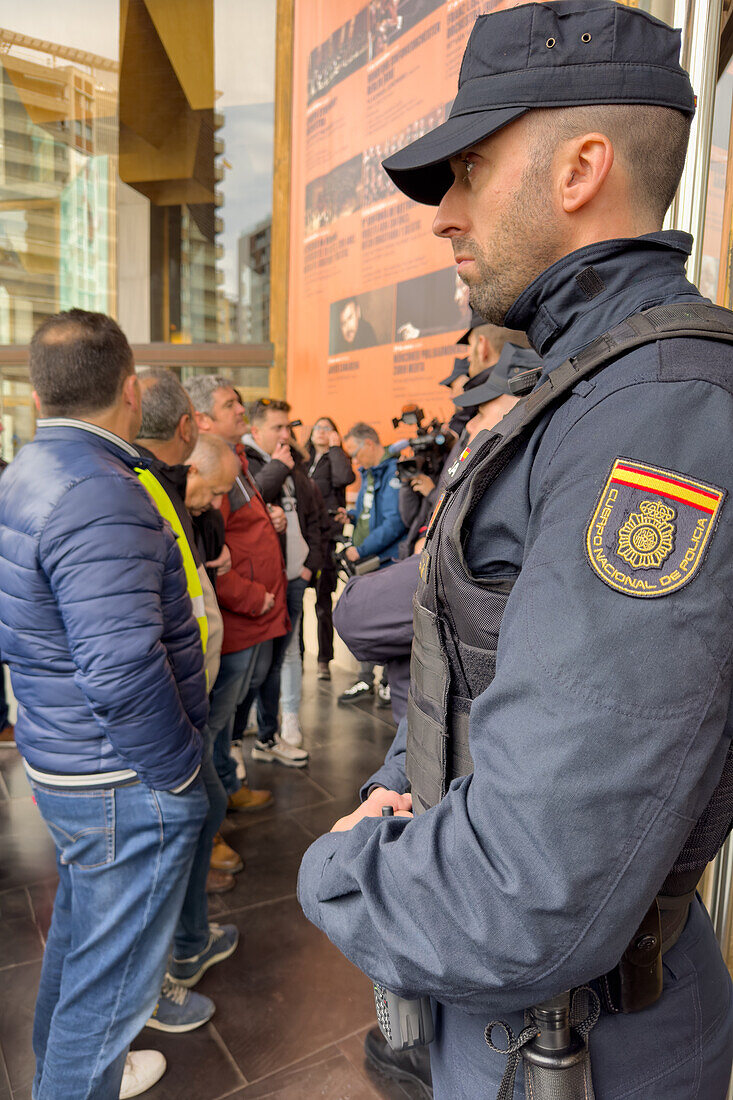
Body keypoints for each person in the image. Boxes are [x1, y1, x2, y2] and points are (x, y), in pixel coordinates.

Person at [297, 4, 733, 1098]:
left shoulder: (657, 414)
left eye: (468, 173)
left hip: (581, 1045)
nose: (444, 215)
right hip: (514, 1026)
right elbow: (465, 661)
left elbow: (529, 893)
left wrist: (338, 865)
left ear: (582, 167)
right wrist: (399, 795)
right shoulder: (580, 387)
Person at [0, 309, 212, 1099]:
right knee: (110, 988)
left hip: (69, 758)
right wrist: (180, 775)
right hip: (120, 777)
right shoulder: (100, 490)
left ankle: (54, 1072)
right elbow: (123, 668)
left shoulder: (31, 469)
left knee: (84, 946)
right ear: (130, 389)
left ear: (36, 393)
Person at [184, 375, 292, 791]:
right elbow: (214, 557)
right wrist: (253, 598)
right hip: (242, 614)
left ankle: (227, 788)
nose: (241, 410)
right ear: (202, 420)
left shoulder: (236, 461)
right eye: (230, 404)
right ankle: (217, 803)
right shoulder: (211, 470)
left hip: (255, 612)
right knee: (218, 717)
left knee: (233, 709)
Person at [240, 398, 322, 756]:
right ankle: (258, 731)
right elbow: (249, 503)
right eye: (277, 427)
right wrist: (277, 467)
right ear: (255, 431)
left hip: (294, 576)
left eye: (288, 427)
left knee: (286, 654)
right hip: (261, 583)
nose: (285, 434)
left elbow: (317, 519)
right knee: (261, 662)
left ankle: (281, 723)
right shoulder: (246, 462)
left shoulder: (295, 463)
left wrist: (308, 566)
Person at [336, 422, 407, 706]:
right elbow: (370, 512)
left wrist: (361, 549)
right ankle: (366, 679)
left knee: (387, 623)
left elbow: (395, 522)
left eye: (354, 453)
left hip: (384, 560)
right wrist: (351, 516)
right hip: (367, 560)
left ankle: (388, 684)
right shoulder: (369, 473)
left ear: (368, 444)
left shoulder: (393, 472)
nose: (353, 461)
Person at [306, 416, 356, 679]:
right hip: (305, 537)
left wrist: (336, 449)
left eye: (328, 428)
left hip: (326, 537)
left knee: (323, 602)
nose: (321, 432)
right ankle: (301, 654)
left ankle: (324, 659)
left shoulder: (335, 458)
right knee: (297, 596)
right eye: (318, 427)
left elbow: (344, 477)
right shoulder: (304, 460)